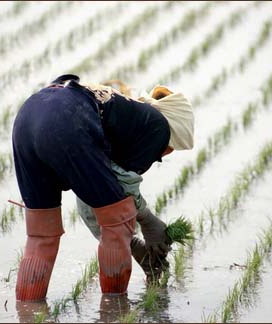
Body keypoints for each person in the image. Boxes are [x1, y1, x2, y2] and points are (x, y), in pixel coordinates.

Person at [12, 74, 194, 301]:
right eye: (171, 147)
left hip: (28, 117)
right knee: (118, 222)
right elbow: (122, 194)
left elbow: (92, 202)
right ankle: (115, 309)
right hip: (67, 118)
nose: (164, 153)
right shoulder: (157, 125)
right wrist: (147, 220)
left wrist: (133, 245)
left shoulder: (124, 118)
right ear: (173, 129)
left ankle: (29, 310)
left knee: (42, 234)